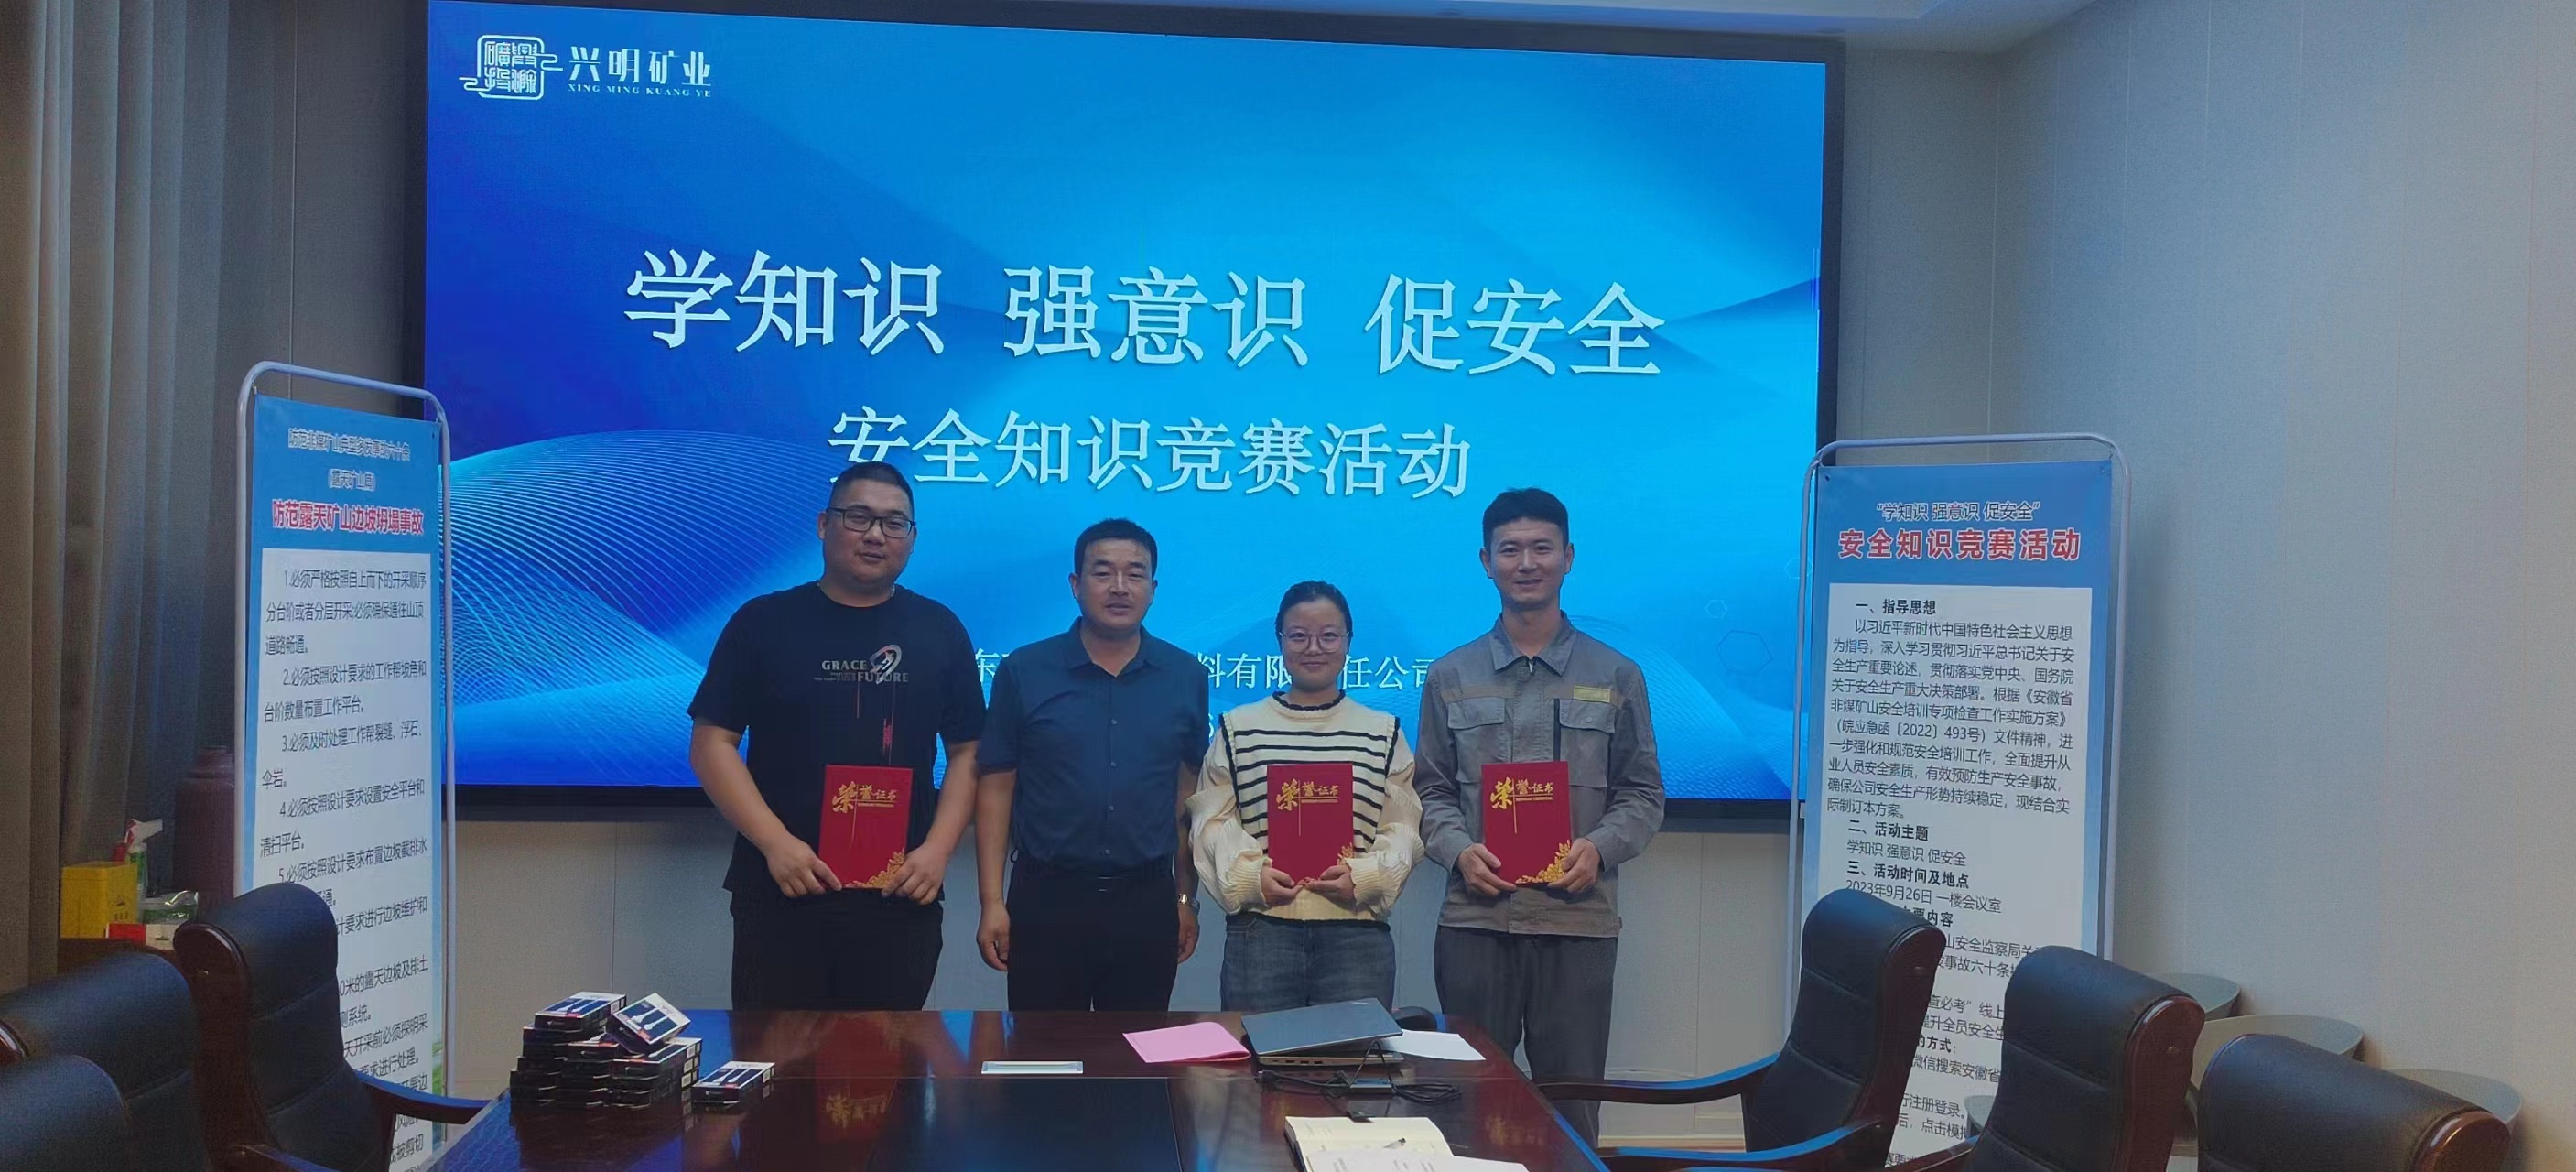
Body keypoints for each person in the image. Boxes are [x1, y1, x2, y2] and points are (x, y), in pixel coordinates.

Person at [686, 461, 985, 1011]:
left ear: (912, 537)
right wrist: (775, 844)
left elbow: (969, 751)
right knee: (774, 1056)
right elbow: (711, 743)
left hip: (900, 895)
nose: (876, 535)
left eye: (895, 523)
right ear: (824, 525)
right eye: (859, 517)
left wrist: (938, 851)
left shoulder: (940, 629)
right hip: (782, 889)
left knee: (885, 1059)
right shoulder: (763, 621)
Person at [1414, 487, 1665, 1144]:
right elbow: (1429, 793)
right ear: (1486, 561)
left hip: (1576, 923)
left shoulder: (1617, 675)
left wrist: (1600, 847)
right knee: (1467, 1105)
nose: (1526, 563)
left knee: (1571, 1109)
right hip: (1476, 922)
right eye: (1510, 550)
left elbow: (1643, 793)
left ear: (1568, 557)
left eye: (1541, 548)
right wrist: (1458, 850)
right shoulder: (1449, 676)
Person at [974, 518, 1208, 1010]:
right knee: (1042, 1051)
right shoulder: (1023, 671)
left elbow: (1187, 796)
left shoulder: (1185, 675)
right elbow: (996, 789)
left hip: (1146, 901)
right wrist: (992, 903)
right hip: (1047, 900)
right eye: (1103, 572)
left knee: (1139, 1052)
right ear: (1075, 585)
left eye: (1135, 574)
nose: (1119, 587)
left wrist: (1185, 899)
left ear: (1153, 589)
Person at [1188, 581, 1422, 1012]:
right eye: (1298, 636)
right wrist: (1250, 877)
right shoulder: (1237, 728)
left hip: (1356, 935)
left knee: (1353, 1054)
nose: (1314, 648)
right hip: (1263, 933)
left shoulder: (1384, 731)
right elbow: (1212, 822)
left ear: (1349, 641)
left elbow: (1403, 828)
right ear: (1280, 641)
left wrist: (1367, 877)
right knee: (1258, 1054)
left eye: (1329, 636)